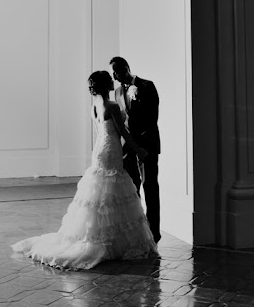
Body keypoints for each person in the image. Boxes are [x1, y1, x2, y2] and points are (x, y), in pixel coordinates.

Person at [11, 70, 157, 270]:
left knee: (101, 192)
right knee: (112, 190)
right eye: (109, 79)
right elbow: (123, 132)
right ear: (105, 85)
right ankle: (110, 242)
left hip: (100, 149)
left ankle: (100, 237)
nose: (112, 81)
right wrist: (139, 150)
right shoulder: (112, 106)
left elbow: (103, 131)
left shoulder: (95, 105)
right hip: (110, 149)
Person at [110, 56, 161, 244]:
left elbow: (152, 118)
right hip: (128, 148)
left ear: (126, 68)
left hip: (147, 146)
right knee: (132, 189)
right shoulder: (117, 92)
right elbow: (122, 121)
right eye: (113, 73)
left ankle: (154, 232)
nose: (114, 76)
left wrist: (142, 147)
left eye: (116, 71)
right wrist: (129, 145)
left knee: (150, 187)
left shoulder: (147, 86)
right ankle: (137, 230)